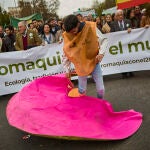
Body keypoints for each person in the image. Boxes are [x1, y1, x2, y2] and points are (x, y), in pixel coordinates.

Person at [62, 14, 108, 98]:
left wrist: (101, 53)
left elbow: (104, 40)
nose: (72, 33)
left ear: (78, 23)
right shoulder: (67, 34)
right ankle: (82, 107)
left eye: (73, 31)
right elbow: (66, 53)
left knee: (101, 89)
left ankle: (100, 105)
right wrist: (67, 69)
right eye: (70, 32)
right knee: (82, 90)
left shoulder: (90, 27)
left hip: (94, 61)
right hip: (81, 65)